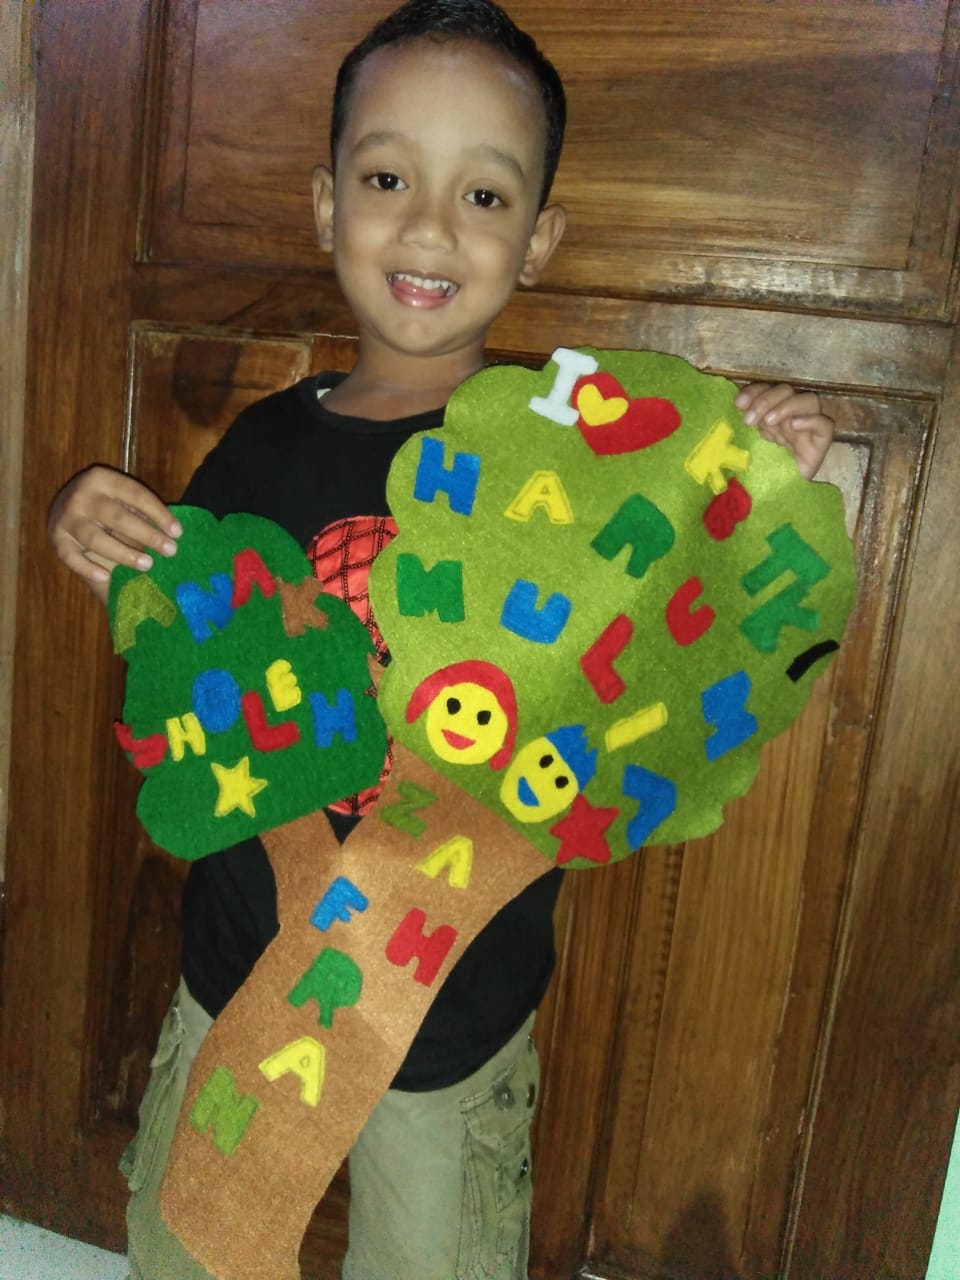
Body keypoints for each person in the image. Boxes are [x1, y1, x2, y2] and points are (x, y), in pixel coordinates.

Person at [46, 2, 836, 1277]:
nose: (428, 226)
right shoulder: (259, 446)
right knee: (188, 1241)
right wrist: (86, 521)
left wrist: (758, 474)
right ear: (326, 205)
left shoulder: (577, 463)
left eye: (482, 194)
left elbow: (672, 615)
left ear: (539, 237)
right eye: (386, 179)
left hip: (449, 1015)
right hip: (244, 966)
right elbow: (179, 631)